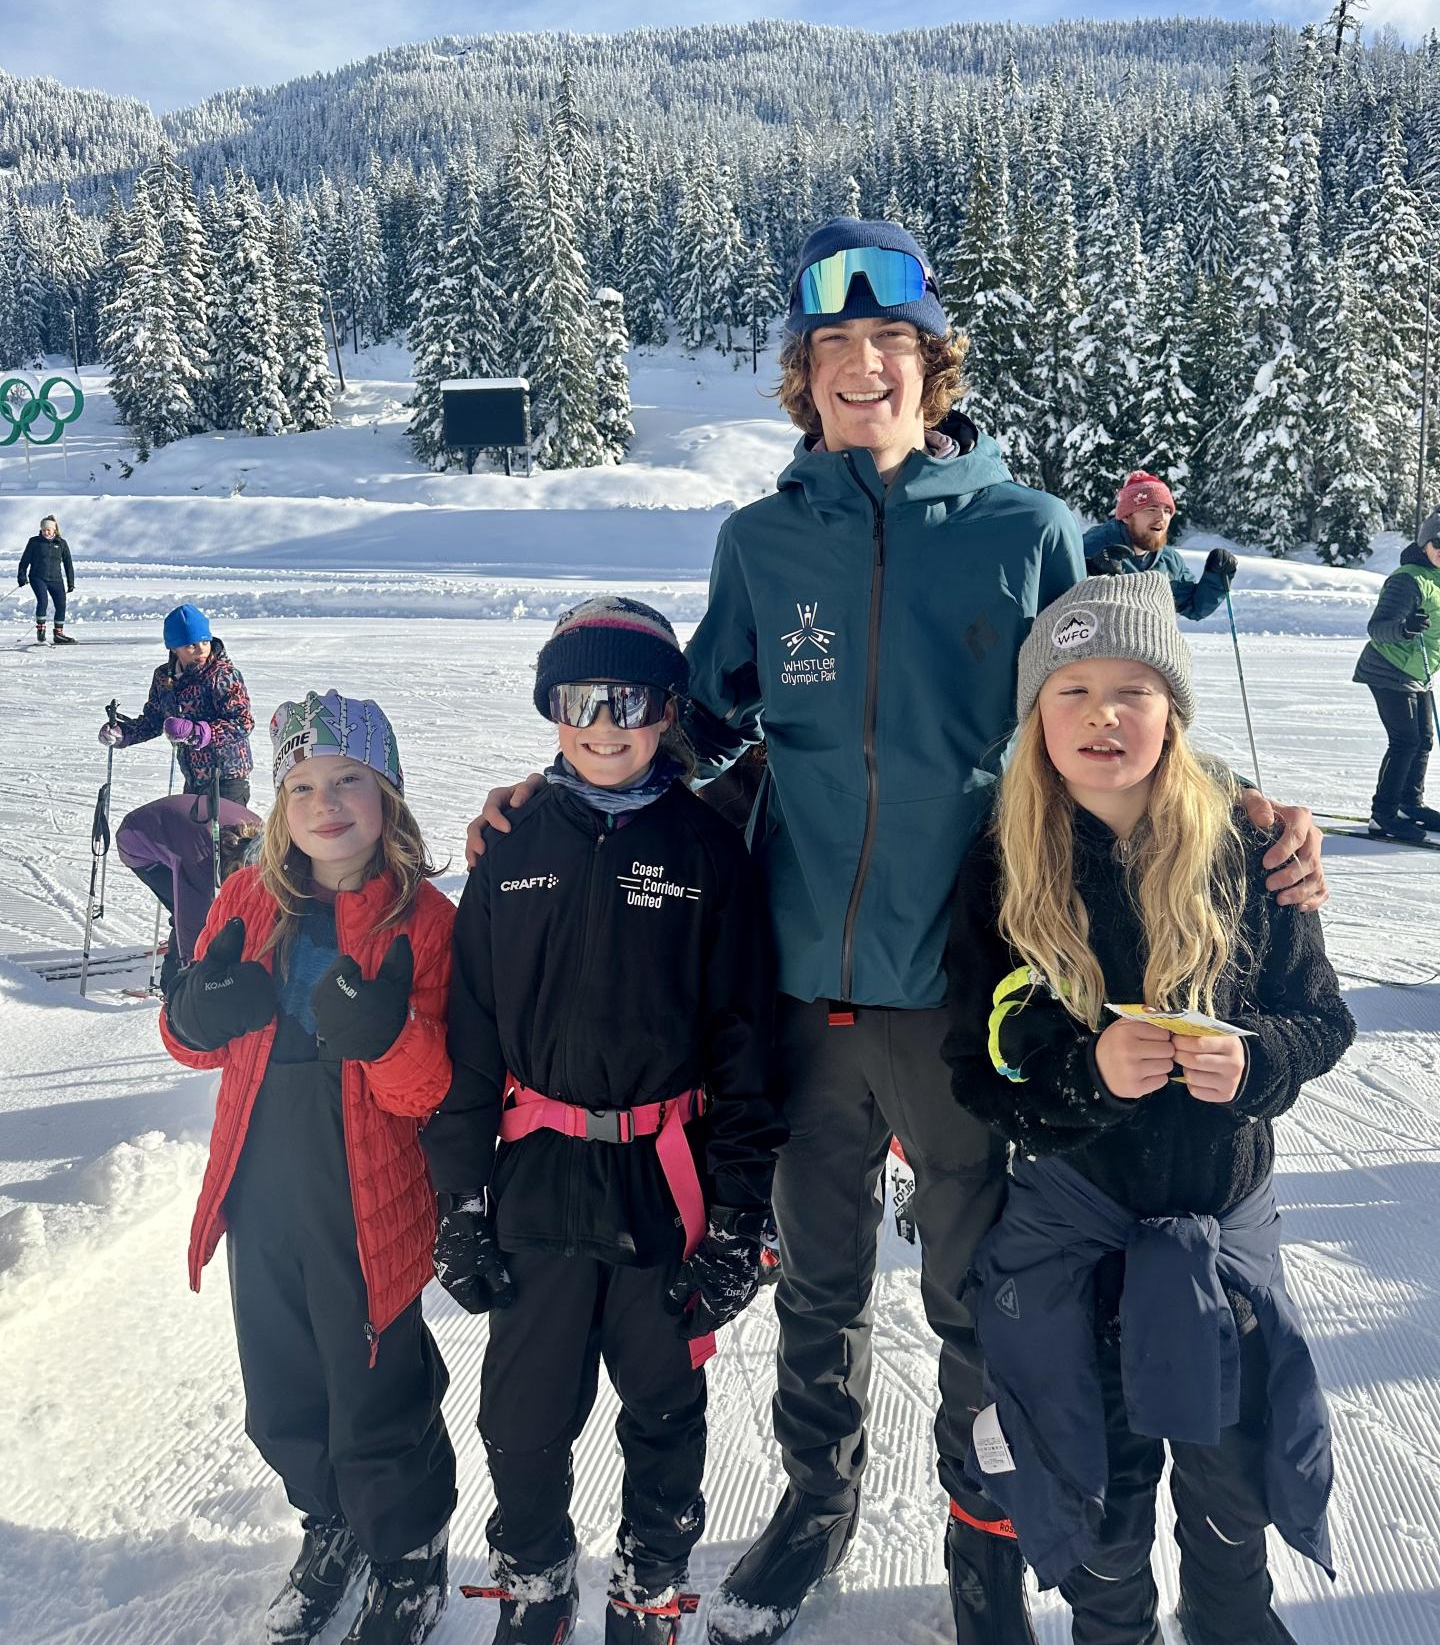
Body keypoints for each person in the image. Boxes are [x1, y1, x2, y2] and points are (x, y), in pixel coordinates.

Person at [466, 219, 1329, 1645]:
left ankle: (982, 1534)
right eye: (832, 347)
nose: (862, 367)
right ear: (802, 377)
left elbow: (1118, 708)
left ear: (933, 364)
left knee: (980, 1293)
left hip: (968, 985)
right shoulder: (761, 544)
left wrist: (1241, 806)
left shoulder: (1026, 531)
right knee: (817, 1281)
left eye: (889, 342)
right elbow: (691, 732)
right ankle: (817, 1503)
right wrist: (548, 796)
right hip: (803, 989)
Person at [943, 571, 1353, 1645]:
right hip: (1078, 1246)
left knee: (1232, 1492)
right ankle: (1111, 1627)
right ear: (1037, 716)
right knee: (1101, 1507)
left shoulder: (1250, 851)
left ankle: (1231, 1620)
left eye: (1133, 690)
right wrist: (1088, 1074)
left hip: (1220, 1246)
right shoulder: (1001, 864)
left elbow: (1321, 1017)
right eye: (1072, 690)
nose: (1103, 716)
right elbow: (977, 1067)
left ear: (1173, 711)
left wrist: (1258, 1061)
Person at [422, 598, 784, 1645]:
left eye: (631, 701)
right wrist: (460, 1197)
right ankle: (534, 1581)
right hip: (538, 1176)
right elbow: (471, 1036)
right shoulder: (512, 846)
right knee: (521, 1415)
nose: (605, 724)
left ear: (668, 709)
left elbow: (746, 1045)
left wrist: (738, 1216)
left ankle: (648, 1585)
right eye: (580, 700)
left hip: (664, 1181)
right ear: (552, 708)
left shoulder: (708, 849)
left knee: (664, 1407)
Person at [160, 690, 457, 1645]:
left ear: (388, 794)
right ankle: (330, 1524)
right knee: (282, 1384)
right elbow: (194, 1042)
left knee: (377, 1393)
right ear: (279, 806)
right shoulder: (248, 899)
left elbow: (437, 1089)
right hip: (262, 1183)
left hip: (365, 1195)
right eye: (300, 786)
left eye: (347, 780)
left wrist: (389, 1037)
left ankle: (407, 1552)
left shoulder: (427, 922)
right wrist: (194, 1011)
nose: (324, 803)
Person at [98, 603, 255, 803]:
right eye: (191, 645)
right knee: (188, 824)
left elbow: (243, 722)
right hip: (194, 777)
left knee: (224, 825)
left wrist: (198, 732)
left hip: (228, 777)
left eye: (205, 642)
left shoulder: (223, 675)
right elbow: (154, 720)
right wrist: (125, 733)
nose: (201, 650)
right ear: (174, 647)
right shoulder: (164, 678)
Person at [115, 791, 263, 994]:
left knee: (201, 904)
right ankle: (172, 988)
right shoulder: (202, 858)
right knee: (188, 912)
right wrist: (192, 973)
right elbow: (193, 919)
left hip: (180, 828)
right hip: (136, 838)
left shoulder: (261, 837)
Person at [1352, 509, 1440, 843]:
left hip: (1420, 670)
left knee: (1424, 740)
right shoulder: (1408, 579)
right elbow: (1377, 628)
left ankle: (1409, 804)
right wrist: (1405, 628)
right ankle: (1383, 815)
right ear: (1424, 543)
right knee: (1405, 741)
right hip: (1388, 668)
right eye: (1438, 542)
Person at [1084, 471, 1236, 621]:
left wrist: (1216, 576)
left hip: (1150, 636)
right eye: (1151, 509)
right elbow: (1069, 597)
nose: (1161, 517)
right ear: (1126, 517)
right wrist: (1090, 571)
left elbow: (1192, 606)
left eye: (1167, 510)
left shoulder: (1169, 560)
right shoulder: (1092, 546)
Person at [17, 512, 76, 644]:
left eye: (48, 530)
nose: (46, 532)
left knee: (61, 604)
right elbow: (24, 560)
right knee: (43, 601)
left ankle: (58, 634)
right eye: (43, 530)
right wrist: (21, 576)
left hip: (56, 579)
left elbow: (68, 564)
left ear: (54, 530)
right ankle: (41, 630)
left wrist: (70, 582)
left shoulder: (61, 543)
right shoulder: (34, 542)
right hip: (38, 577)